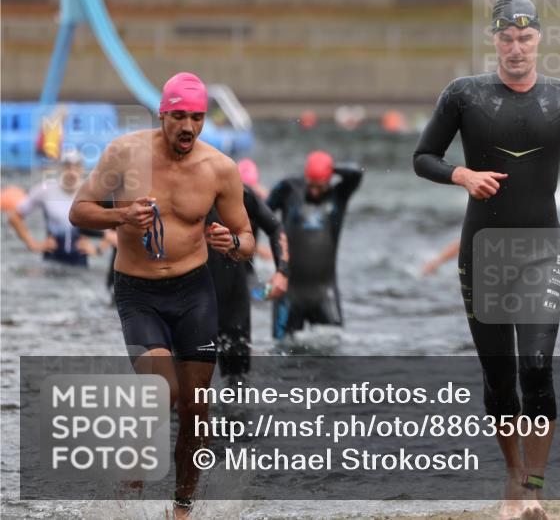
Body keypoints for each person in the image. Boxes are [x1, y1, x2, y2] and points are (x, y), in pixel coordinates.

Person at [413, 0, 560, 520]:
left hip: (543, 251)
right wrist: (462, 174)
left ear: (540, 38)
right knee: (500, 375)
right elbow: (422, 157)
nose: (517, 47)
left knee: (538, 368)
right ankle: (513, 476)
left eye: (526, 37)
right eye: (507, 37)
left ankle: (535, 493)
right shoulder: (464, 95)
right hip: (482, 252)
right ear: (495, 40)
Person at [68, 72, 255, 518]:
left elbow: (246, 237)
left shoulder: (220, 169)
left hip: (194, 291)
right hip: (138, 293)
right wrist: (121, 217)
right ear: (163, 115)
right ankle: (126, 488)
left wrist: (231, 244)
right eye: (178, 116)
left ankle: (181, 509)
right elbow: (79, 210)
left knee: (195, 406)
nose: (187, 126)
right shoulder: (125, 153)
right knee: (160, 392)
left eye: (196, 117)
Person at [267, 151, 362, 339]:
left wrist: (329, 167)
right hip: (290, 293)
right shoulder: (289, 188)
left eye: (320, 186)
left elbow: (356, 173)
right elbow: (260, 214)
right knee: (281, 351)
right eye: (311, 185)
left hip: (324, 292)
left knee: (334, 347)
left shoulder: (339, 195)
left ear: (329, 180)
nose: (315, 191)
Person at [206, 177, 289, 384]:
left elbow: (275, 227)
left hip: (234, 300)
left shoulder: (237, 190)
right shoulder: (177, 191)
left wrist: (282, 272)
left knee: (238, 382)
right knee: (185, 387)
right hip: (192, 299)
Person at [8, 150, 100, 266]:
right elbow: (14, 216)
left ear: (82, 169)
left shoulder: (92, 193)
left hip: (80, 264)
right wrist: (33, 244)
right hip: (51, 262)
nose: (71, 172)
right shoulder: (46, 190)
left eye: (76, 166)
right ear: (60, 168)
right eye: (67, 166)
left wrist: (98, 249)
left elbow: (117, 222)